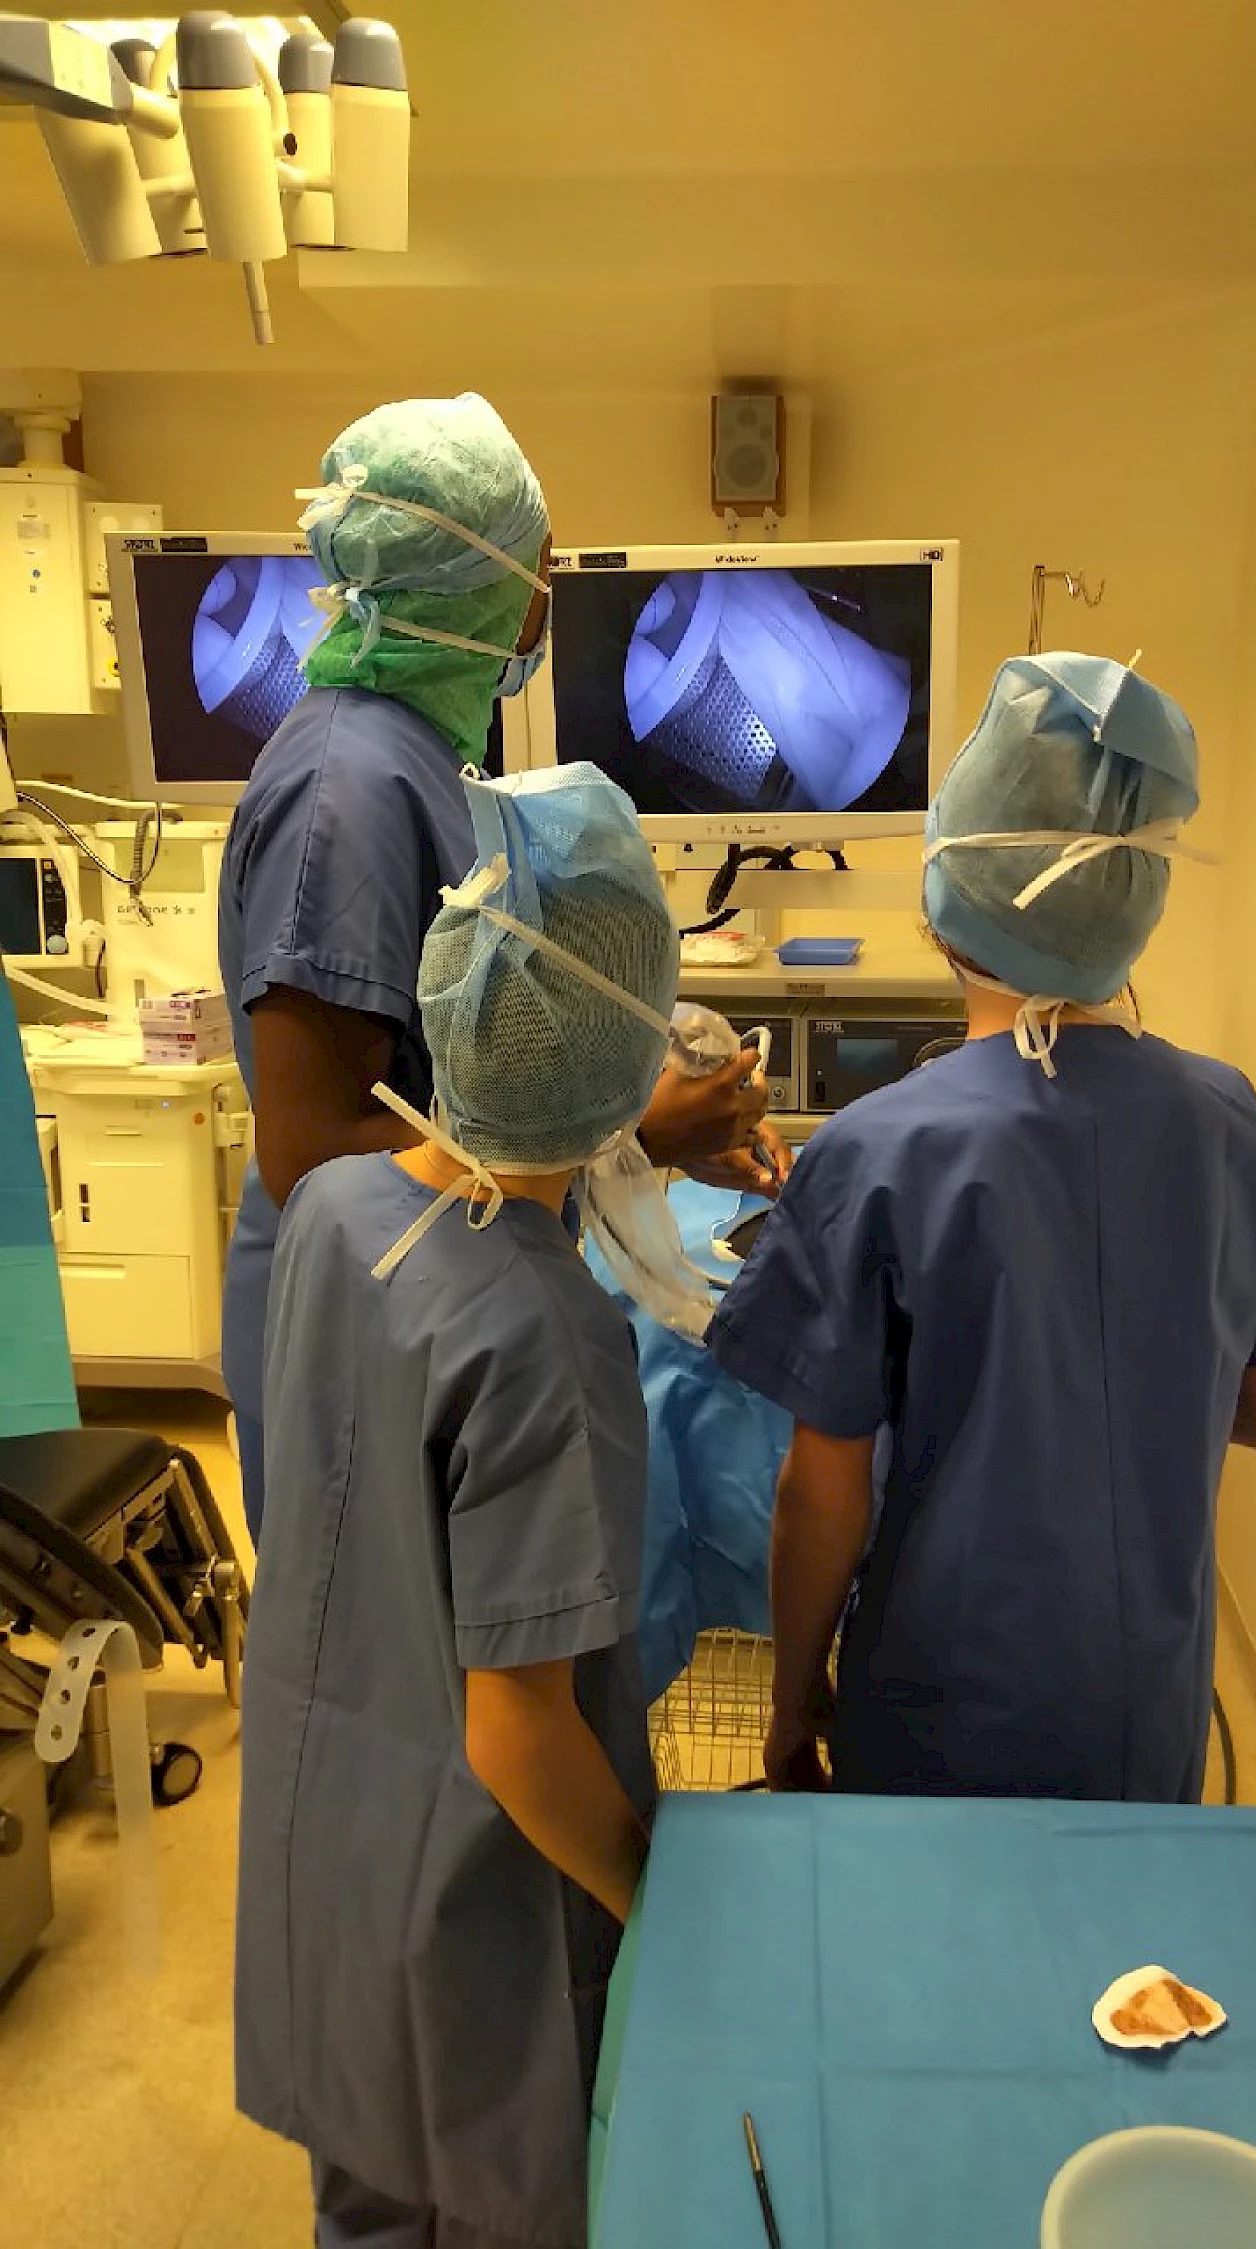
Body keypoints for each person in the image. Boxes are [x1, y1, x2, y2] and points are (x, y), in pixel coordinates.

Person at [707, 652, 1256, 1802]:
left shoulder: (879, 1149)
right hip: (1143, 1706)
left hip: (940, 1706)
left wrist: (792, 1704)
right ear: (1136, 901)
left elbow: (822, 1495)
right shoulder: (1228, 1120)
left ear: (946, 897)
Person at [236, 761, 685, 2249]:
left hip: (332, 1855)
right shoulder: (545, 1333)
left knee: (372, 2192)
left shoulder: (336, 1208)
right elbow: (519, 1732)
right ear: (628, 1058)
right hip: (471, 1912)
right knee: (489, 2196)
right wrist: (658, 1902)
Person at [218, 392, 786, 1543]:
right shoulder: (346, 793)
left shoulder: (416, 753)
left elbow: (460, 1044)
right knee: (399, 1643)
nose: (548, 592)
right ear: (479, 578)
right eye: (541, 562)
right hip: (369, 1321)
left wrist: (623, 1068)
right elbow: (311, 1146)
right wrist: (623, 1136)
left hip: (432, 1295)